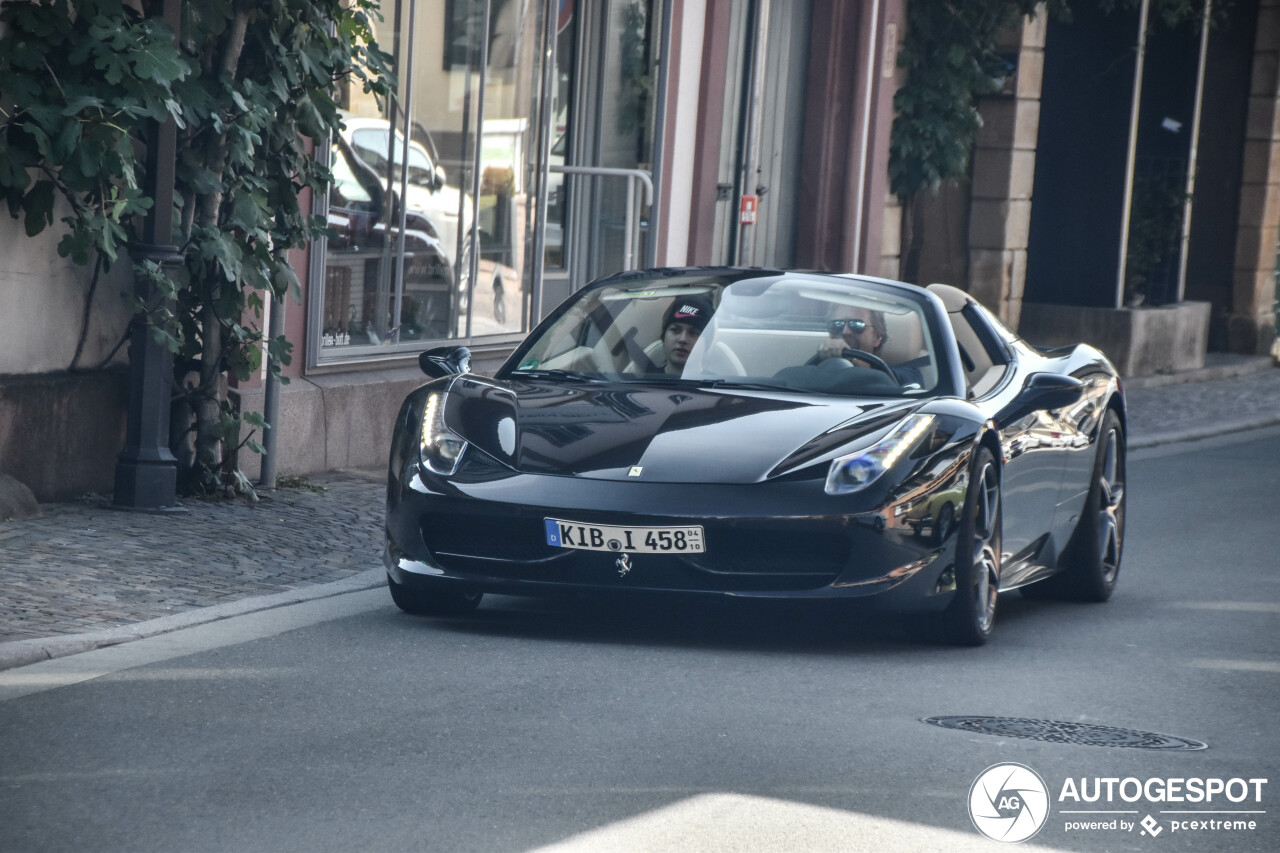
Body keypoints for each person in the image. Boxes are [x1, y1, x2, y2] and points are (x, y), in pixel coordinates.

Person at [815, 305, 924, 387]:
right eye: (837, 324)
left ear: (877, 337)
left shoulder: (904, 374)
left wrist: (856, 362)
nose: (845, 332)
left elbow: (911, 388)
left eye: (857, 324)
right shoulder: (815, 370)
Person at [652, 295, 715, 375]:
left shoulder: (717, 386)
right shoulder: (643, 383)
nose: (683, 339)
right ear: (663, 336)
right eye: (675, 330)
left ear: (707, 343)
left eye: (693, 333)